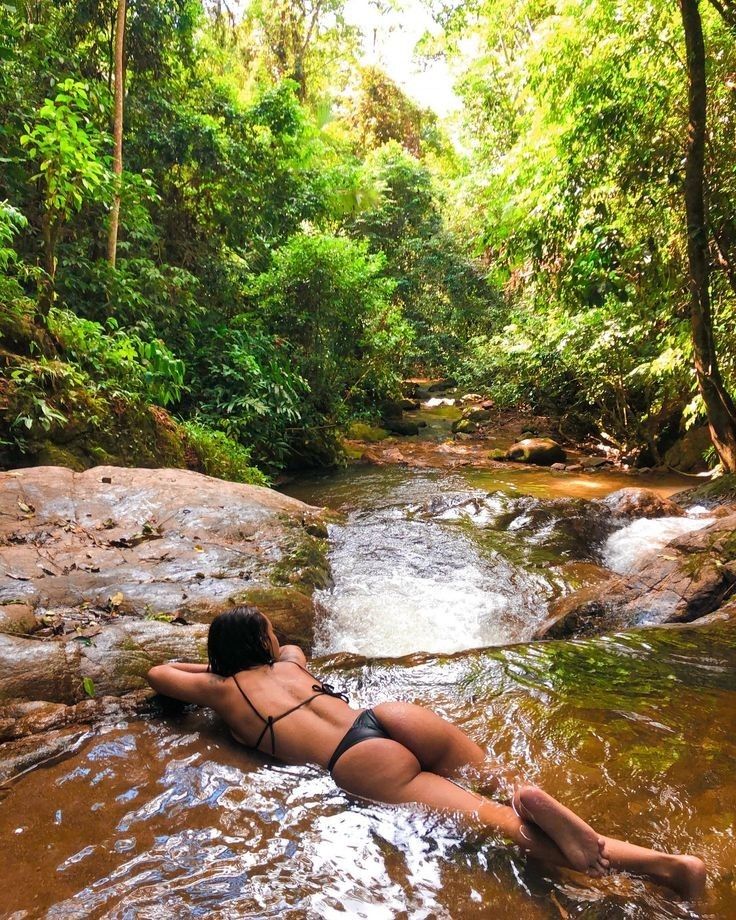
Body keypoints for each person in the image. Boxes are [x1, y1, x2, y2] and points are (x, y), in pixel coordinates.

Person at [146, 606, 706, 901]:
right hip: (388, 715)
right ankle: (525, 791)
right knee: (500, 786)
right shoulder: (292, 662)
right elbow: (289, 643)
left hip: (356, 759)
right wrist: (265, 649)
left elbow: (159, 673)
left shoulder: (221, 689)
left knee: (498, 825)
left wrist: (215, 670)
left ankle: (667, 869)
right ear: (267, 644)